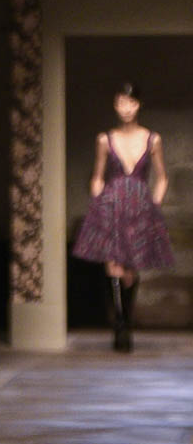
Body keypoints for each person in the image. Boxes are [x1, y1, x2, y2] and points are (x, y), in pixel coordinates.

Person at [72, 82, 173, 352]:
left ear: (138, 105)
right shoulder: (105, 139)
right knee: (113, 265)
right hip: (112, 205)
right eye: (120, 103)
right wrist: (98, 203)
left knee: (130, 268)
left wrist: (154, 205)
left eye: (130, 103)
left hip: (140, 207)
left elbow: (162, 177)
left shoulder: (153, 139)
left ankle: (126, 320)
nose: (126, 108)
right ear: (115, 106)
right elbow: (97, 176)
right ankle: (120, 325)